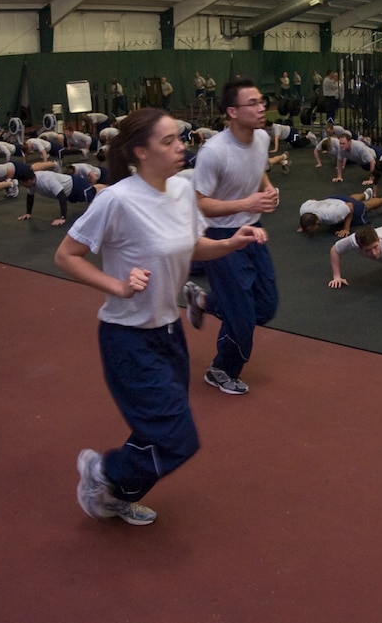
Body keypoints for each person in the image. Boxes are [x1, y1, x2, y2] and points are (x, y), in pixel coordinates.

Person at [56, 107, 267, 526]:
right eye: (168, 141)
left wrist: (231, 243)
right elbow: (66, 255)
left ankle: (114, 495)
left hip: (169, 333)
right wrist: (117, 286)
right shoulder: (116, 199)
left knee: (158, 426)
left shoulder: (182, 191)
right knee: (179, 438)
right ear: (140, 151)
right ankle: (105, 474)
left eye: (179, 138)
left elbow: (191, 246)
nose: (180, 147)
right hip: (127, 337)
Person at [186, 77, 279, 395]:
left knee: (265, 308)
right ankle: (220, 370)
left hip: (254, 230)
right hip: (221, 235)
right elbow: (201, 204)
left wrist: (267, 189)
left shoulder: (263, 138)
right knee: (242, 320)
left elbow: (258, 168)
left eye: (261, 101)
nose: (261, 107)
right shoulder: (214, 152)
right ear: (232, 111)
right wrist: (248, 202)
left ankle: (201, 299)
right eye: (252, 103)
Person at [298, 187, 382, 237]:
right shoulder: (304, 210)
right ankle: (365, 194)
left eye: (311, 229)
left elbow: (350, 206)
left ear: (317, 222)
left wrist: (346, 229)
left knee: (364, 207)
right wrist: (305, 226)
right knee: (349, 200)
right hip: (333, 200)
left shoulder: (332, 216)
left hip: (342, 206)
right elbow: (313, 201)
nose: (310, 232)